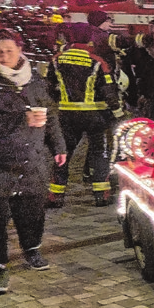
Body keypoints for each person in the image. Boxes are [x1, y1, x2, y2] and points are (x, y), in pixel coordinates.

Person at [0, 29, 66, 295]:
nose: (4, 56)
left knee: (32, 209)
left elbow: (49, 113)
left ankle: (32, 249)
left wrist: (58, 145)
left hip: (33, 158)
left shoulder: (34, 78)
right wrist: (19, 119)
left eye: (9, 51)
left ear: (19, 50)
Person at [46, 23, 125, 208]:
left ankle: (55, 196)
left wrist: (59, 101)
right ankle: (101, 195)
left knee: (63, 153)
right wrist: (119, 115)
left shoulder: (57, 59)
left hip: (66, 114)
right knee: (99, 152)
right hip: (95, 116)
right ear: (90, 38)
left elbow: (49, 86)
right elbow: (109, 92)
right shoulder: (97, 61)